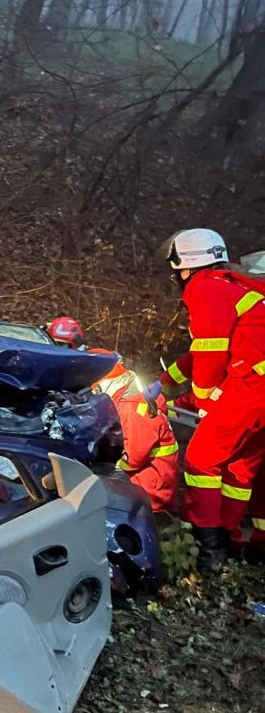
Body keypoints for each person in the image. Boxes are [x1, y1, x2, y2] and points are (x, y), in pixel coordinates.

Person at [158, 228, 265, 569]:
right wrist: (164, 382)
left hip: (253, 387)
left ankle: (207, 551)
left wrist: (202, 400)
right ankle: (230, 541)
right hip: (256, 386)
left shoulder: (204, 288)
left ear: (185, 265)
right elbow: (201, 351)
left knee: (202, 459)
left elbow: (211, 353)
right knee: (238, 468)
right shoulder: (233, 285)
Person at [90, 350, 179, 513]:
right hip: (146, 481)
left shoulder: (132, 405)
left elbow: (133, 456)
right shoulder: (127, 394)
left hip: (150, 492)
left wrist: (97, 464)